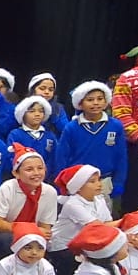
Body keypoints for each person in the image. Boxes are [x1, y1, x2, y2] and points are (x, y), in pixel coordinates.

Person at [55, 81, 127, 215]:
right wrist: (61, 184)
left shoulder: (115, 126)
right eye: (90, 100)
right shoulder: (71, 127)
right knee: (77, 217)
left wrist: (119, 181)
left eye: (100, 99)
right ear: (80, 104)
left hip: (104, 180)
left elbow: (121, 156)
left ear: (106, 101)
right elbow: (61, 157)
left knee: (102, 218)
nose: (96, 103)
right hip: (77, 181)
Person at [47, 164, 124, 275]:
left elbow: (107, 224)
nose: (99, 184)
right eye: (92, 182)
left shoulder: (99, 199)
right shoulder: (73, 204)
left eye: (99, 180)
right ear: (78, 187)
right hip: (64, 246)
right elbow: (96, 228)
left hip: (86, 244)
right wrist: (129, 219)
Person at [0, 144, 56, 259]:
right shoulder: (8, 187)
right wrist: (28, 230)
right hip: (3, 233)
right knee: (7, 240)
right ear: (16, 173)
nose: (36, 173)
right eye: (29, 169)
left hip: (33, 235)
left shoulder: (50, 192)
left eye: (40, 168)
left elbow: (45, 228)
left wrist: (35, 233)